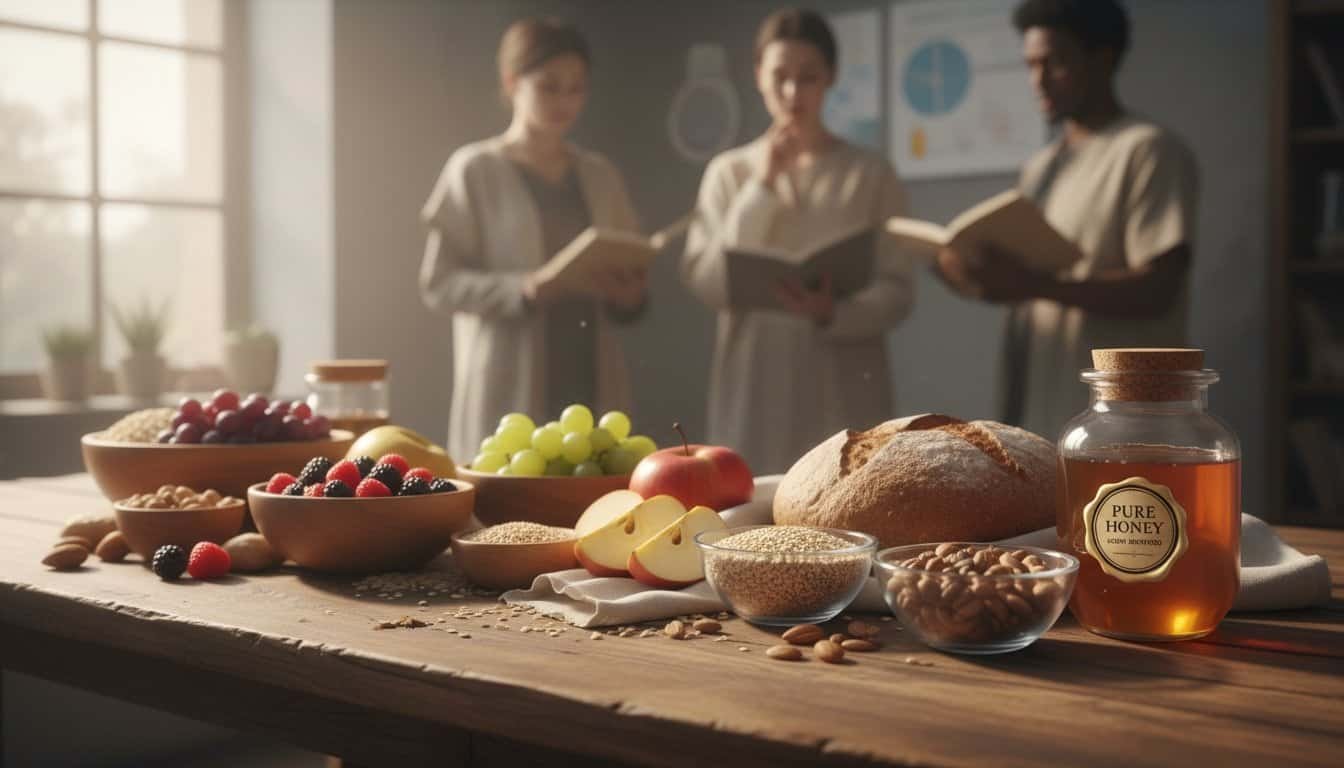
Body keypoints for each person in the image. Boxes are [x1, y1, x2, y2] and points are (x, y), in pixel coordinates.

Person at [936, 0, 1199, 440]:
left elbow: (1159, 290)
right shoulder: (1041, 168)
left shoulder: (1147, 150)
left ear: (1103, 58)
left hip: (1122, 422)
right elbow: (1030, 283)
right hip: (1038, 412)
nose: (1038, 79)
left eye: (1055, 62)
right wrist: (974, 274)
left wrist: (1033, 286)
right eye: (1030, 64)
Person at [682, 8, 913, 474]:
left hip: (842, 378)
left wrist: (834, 312)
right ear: (758, 77)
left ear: (830, 78)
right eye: (779, 76)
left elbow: (898, 289)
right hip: (754, 376)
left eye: (808, 77)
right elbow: (706, 280)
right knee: (754, 522)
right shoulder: (730, 172)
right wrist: (760, 189)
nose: (792, 92)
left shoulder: (869, 172)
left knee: (845, 502)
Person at [420, 18, 646, 461]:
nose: (565, 101)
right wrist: (523, 287)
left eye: (576, 88)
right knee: (506, 506)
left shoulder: (600, 175)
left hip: (590, 376)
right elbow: (439, 283)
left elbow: (629, 274)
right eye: (549, 86)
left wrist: (629, 295)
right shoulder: (474, 169)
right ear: (512, 82)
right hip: (508, 383)